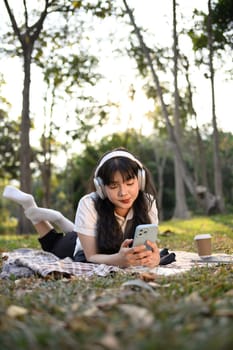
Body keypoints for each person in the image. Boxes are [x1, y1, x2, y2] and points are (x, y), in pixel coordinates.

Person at [3, 148, 160, 268]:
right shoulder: (89, 203)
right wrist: (119, 260)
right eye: (113, 185)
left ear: (140, 180)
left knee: (76, 231)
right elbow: (91, 256)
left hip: (87, 233)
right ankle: (30, 207)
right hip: (79, 245)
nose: (123, 192)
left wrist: (155, 258)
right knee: (52, 245)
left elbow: (152, 249)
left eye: (130, 183)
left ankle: (59, 218)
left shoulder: (148, 202)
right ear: (101, 187)